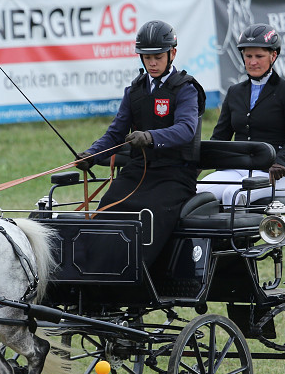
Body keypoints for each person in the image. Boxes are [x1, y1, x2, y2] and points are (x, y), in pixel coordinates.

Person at [74, 20, 206, 267]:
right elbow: (115, 133)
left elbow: (187, 130)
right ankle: (91, 275)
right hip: (136, 174)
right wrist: (92, 154)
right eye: (146, 57)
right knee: (105, 213)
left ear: (172, 53)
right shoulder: (134, 91)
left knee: (146, 218)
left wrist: (151, 137)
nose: (152, 63)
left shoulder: (186, 89)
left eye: (157, 57)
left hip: (174, 176)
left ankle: (132, 275)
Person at [200, 23, 285, 207]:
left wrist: (280, 161)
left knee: (233, 194)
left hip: (274, 173)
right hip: (238, 168)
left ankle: (235, 237)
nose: (252, 62)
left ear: (273, 56)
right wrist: (196, 163)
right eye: (248, 56)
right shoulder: (234, 92)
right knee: (197, 191)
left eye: (259, 56)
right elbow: (220, 137)